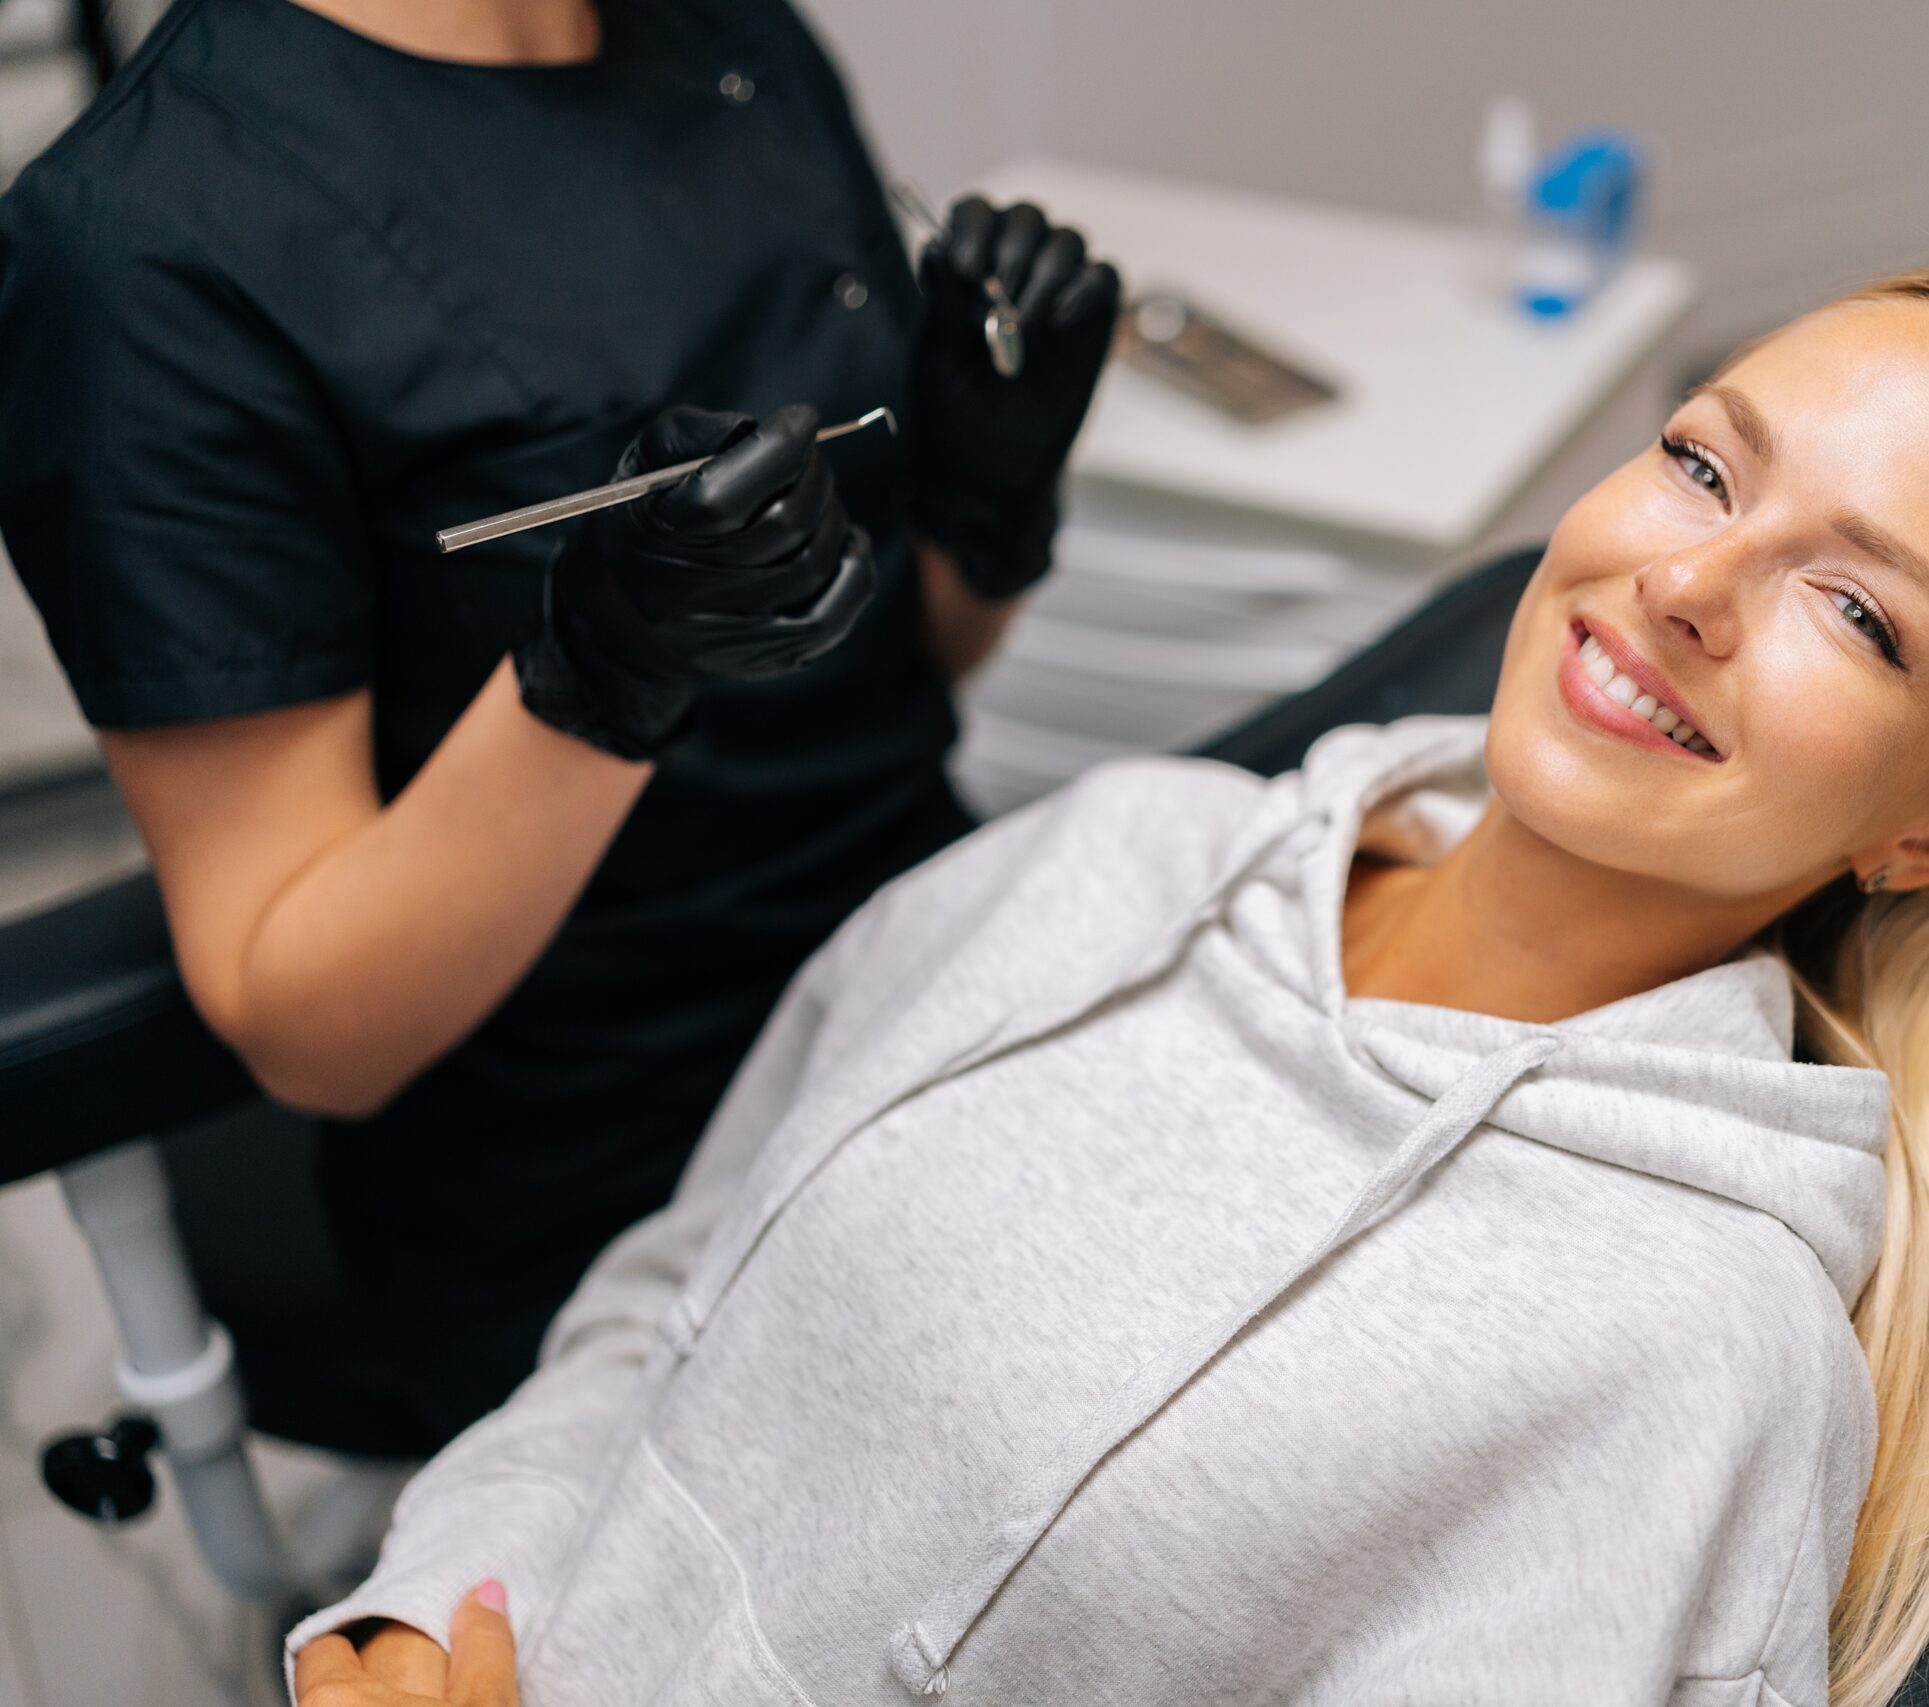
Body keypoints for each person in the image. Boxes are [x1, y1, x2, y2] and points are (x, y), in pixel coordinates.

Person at [282, 258, 1929, 1707]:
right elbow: (662, 1307)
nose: (1688, 585)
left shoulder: (1684, 1357)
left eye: (1855, 607)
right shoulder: (1119, 847)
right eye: (1703, 467)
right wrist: (414, 1604)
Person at [0, 0, 1119, 1450]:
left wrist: (993, 491)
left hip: (939, 974)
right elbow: (313, 1032)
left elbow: (906, 673)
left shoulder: (734, 44)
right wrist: (598, 678)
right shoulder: (147, 244)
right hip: (609, 1163)